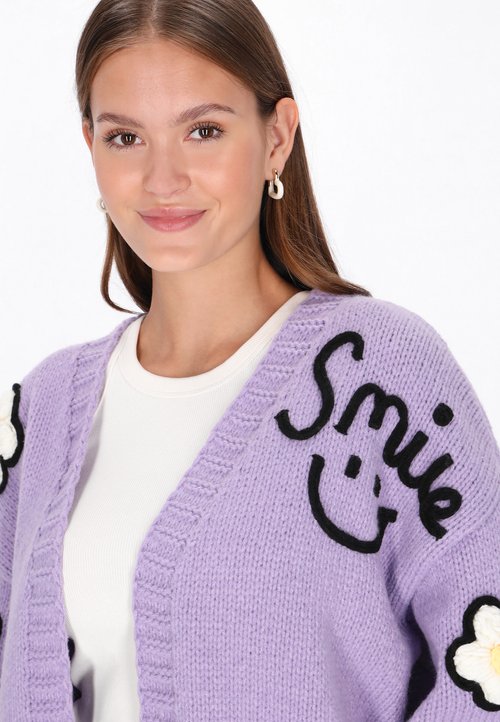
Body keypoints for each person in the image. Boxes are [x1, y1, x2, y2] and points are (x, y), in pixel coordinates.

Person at [1, 0, 499, 719]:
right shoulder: (41, 412)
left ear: (276, 137)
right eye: (125, 137)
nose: (163, 177)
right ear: (91, 146)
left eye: (203, 130)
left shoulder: (379, 378)